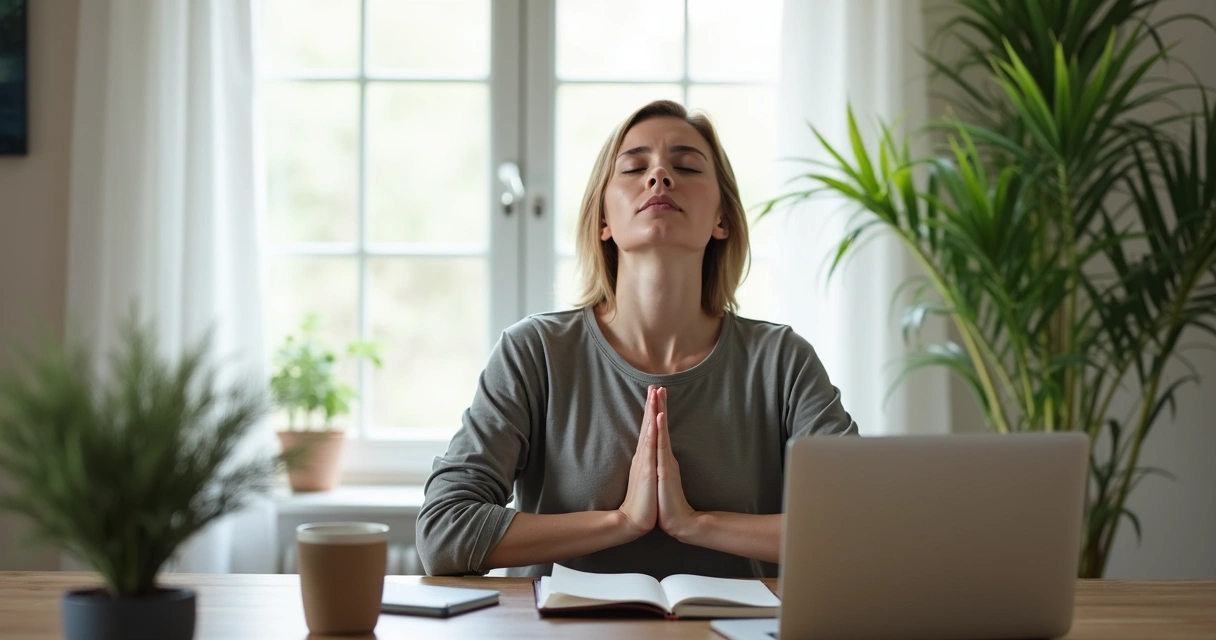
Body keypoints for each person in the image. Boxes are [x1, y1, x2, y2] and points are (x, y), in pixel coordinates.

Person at [416, 99, 857, 580]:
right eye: (634, 167)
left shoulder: (782, 363)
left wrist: (696, 524)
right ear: (603, 220)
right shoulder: (534, 353)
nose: (660, 176)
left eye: (686, 166)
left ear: (721, 221)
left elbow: (862, 525)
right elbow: (444, 531)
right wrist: (621, 522)